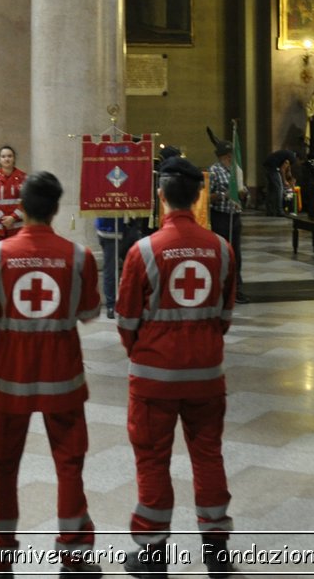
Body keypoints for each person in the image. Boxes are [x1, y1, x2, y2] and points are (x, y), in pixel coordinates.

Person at [0, 172, 103, 576]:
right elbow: (89, 313)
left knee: (4, 466)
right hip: (63, 378)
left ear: (21, 207)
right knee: (69, 465)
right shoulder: (78, 257)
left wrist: (9, 347)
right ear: (56, 209)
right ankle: (75, 555)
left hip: (11, 379)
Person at [116, 156, 237, 579]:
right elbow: (224, 315)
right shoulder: (222, 248)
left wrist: (145, 351)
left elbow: (127, 320)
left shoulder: (143, 250)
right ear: (200, 194)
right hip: (207, 375)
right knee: (208, 457)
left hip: (154, 377)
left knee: (151, 459)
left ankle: (152, 555)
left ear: (160, 195)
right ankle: (217, 553)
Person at [207, 141, 248, 304]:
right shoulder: (214, 171)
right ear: (222, 157)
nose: (232, 158)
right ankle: (219, 288)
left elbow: (244, 193)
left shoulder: (236, 171)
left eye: (233, 156)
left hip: (235, 217)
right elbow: (206, 197)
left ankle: (236, 288)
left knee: (236, 254)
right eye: (229, 156)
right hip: (220, 217)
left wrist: (243, 195)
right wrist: (224, 194)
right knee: (221, 253)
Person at [0, 145, 26, 244]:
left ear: (14, 158)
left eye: (9, 156)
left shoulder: (23, 178)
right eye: (3, 156)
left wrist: (13, 217)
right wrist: (2, 219)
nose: (6, 159)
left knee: (15, 258)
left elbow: (27, 200)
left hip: (16, 227)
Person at [263, 147, 299, 215]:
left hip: (267, 166)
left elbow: (288, 170)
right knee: (279, 189)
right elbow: (282, 169)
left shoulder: (289, 154)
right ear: (298, 158)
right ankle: (279, 211)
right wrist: (284, 180)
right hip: (273, 168)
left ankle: (269, 211)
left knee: (271, 190)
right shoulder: (293, 158)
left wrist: (290, 178)